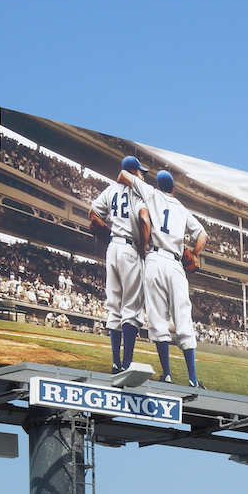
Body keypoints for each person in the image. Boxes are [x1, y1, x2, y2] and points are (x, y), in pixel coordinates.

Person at [118, 168, 208, 387]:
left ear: (159, 186)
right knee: (183, 318)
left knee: (158, 318)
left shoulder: (151, 193)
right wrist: (195, 254)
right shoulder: (183, 209)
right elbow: (203, 235)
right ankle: (193, 379)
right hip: (176, 265)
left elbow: (123, 174)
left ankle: (167, 374)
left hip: (155, 260)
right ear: (174, 189)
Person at [89, 156, 148, 373]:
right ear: (133, 172)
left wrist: (105, 228)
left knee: (114, 307)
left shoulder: (110, 190)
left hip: (112, 247)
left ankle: (115, 363)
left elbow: (92, 213)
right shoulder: (138, 192)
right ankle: (127, 363)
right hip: (130, 249)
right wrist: (143, 246)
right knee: (131, 308)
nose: (142, 175)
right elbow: (143, 219)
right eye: (140, 172)